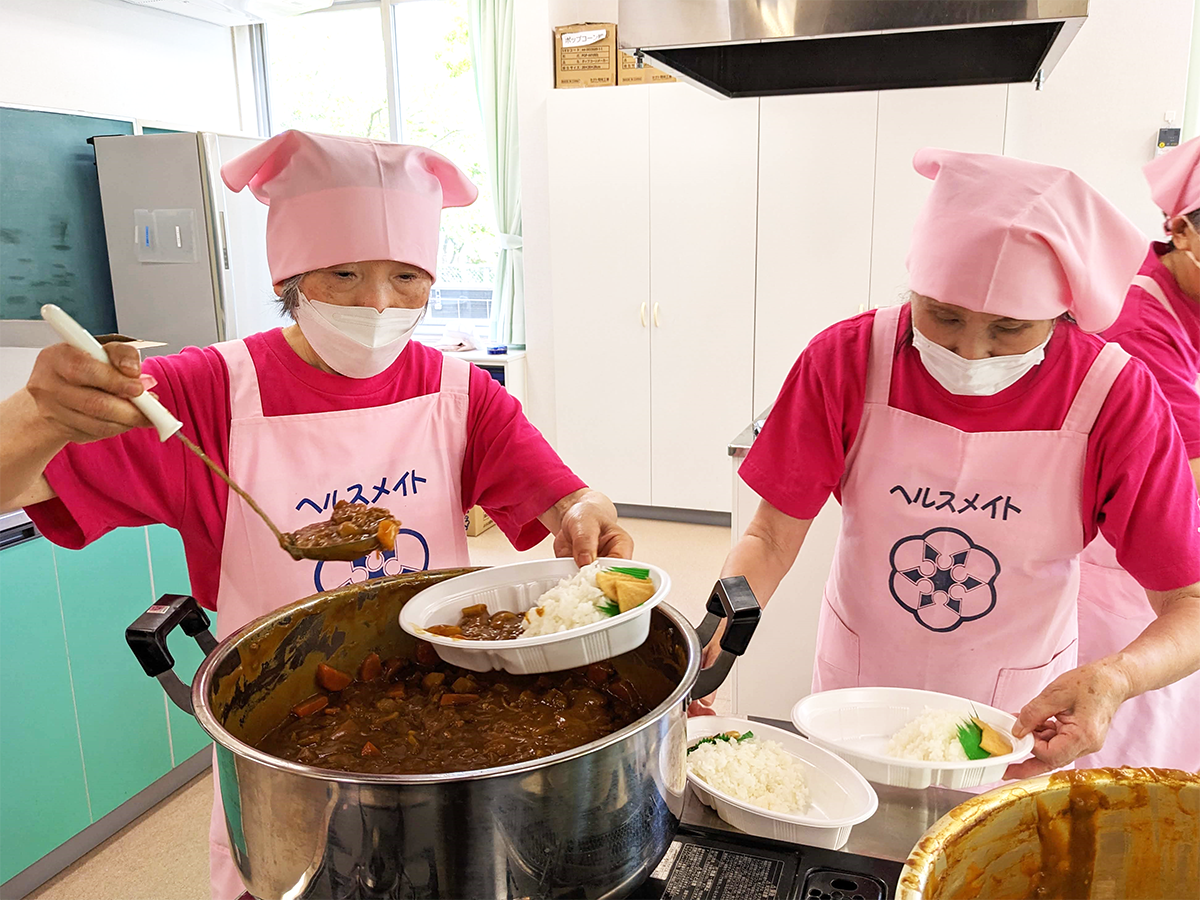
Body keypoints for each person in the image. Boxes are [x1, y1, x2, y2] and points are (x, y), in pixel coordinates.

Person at [0, 130, 632, 900]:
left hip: (442, 713)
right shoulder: (204, 393)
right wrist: (42, 414)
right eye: (344, 273)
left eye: (406, 277)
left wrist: (586, 509)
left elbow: (566, 500)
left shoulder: (460, 393)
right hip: (283, 752)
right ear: (291, 277)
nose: (378, 303)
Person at [698, 149, 1200, 781]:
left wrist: (1115, 677)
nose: (970, 351)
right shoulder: (847, 359)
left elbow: (1188, 604)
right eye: (944, 316)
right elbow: (769, 536)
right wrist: (718, 631)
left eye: (1010, 329)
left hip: (1016, 711)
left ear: (1062, 311)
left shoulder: (1114, 396)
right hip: (858, 691)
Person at [1074, 135, 1200, 770]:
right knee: (1119, 756)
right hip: (1127, 576)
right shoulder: (1141, 324)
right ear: (1181, 229)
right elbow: (1190, 476)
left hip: (1178, 568)